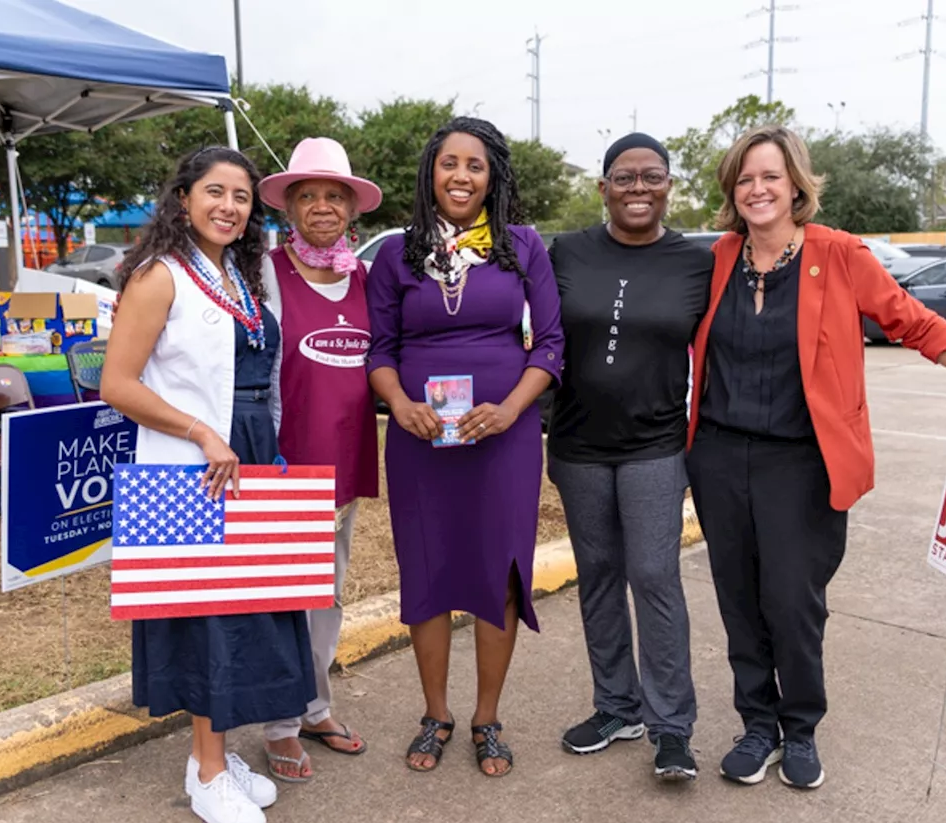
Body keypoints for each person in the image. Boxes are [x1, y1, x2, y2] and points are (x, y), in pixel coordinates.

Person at [685, 125, 946, 791]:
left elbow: (913, 320)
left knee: (792, 600)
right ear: (731, 192)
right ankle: (756, 724)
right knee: (737, 597)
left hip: (804, 462)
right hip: (718, 455)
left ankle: (801, 726)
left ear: (796, 184)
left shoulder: (838, 254)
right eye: (744, 179)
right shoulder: (720, 258)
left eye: (769, 176)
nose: (757, 189)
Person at [100, 146, 313, 823]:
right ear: (184, 198)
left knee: (249, 608)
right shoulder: (159, 277)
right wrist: (200, 433)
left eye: (242, 197)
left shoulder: (237, 276)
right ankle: (209, 768)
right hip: (192, 463)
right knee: (207, 616)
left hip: (244, 454)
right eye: (214, 192)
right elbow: (118, 385)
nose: (229, 206)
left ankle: (209, 759)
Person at [365, 116, 565, 777]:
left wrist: (511, 410)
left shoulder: (523, 246)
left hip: (501, 440)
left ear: (492, 178)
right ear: (431, 173)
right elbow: (380, 348)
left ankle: (486, 718)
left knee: (499, 570)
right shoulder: (396, 252)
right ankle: (435, 714)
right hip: (421, 439)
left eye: (474, 165)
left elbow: (553, 344)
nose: (460, 176)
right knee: (428, 566)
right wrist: (399, 404)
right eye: (448, 163)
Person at [546, 132, 713, 781]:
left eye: (651, 177)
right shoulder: (567, 252)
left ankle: (672, 726)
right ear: (603, 188)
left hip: (656, 444)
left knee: (653, 574)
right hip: (579, 444)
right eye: (624, 177)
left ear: (669, 185)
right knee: (599, 576)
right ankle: (617, 706)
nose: (638, 188)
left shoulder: (697, 263)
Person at [254, 137, 383, 781]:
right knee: (285, 595)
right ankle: (278, 728)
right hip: (284, 459)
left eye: (335, 195)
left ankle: (313, 706)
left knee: (326, 593)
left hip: (346, 459)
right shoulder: (265, 273)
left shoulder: (368, 278)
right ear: (290, 209)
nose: (323, 207)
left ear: (352, 209)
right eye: (309, 196)